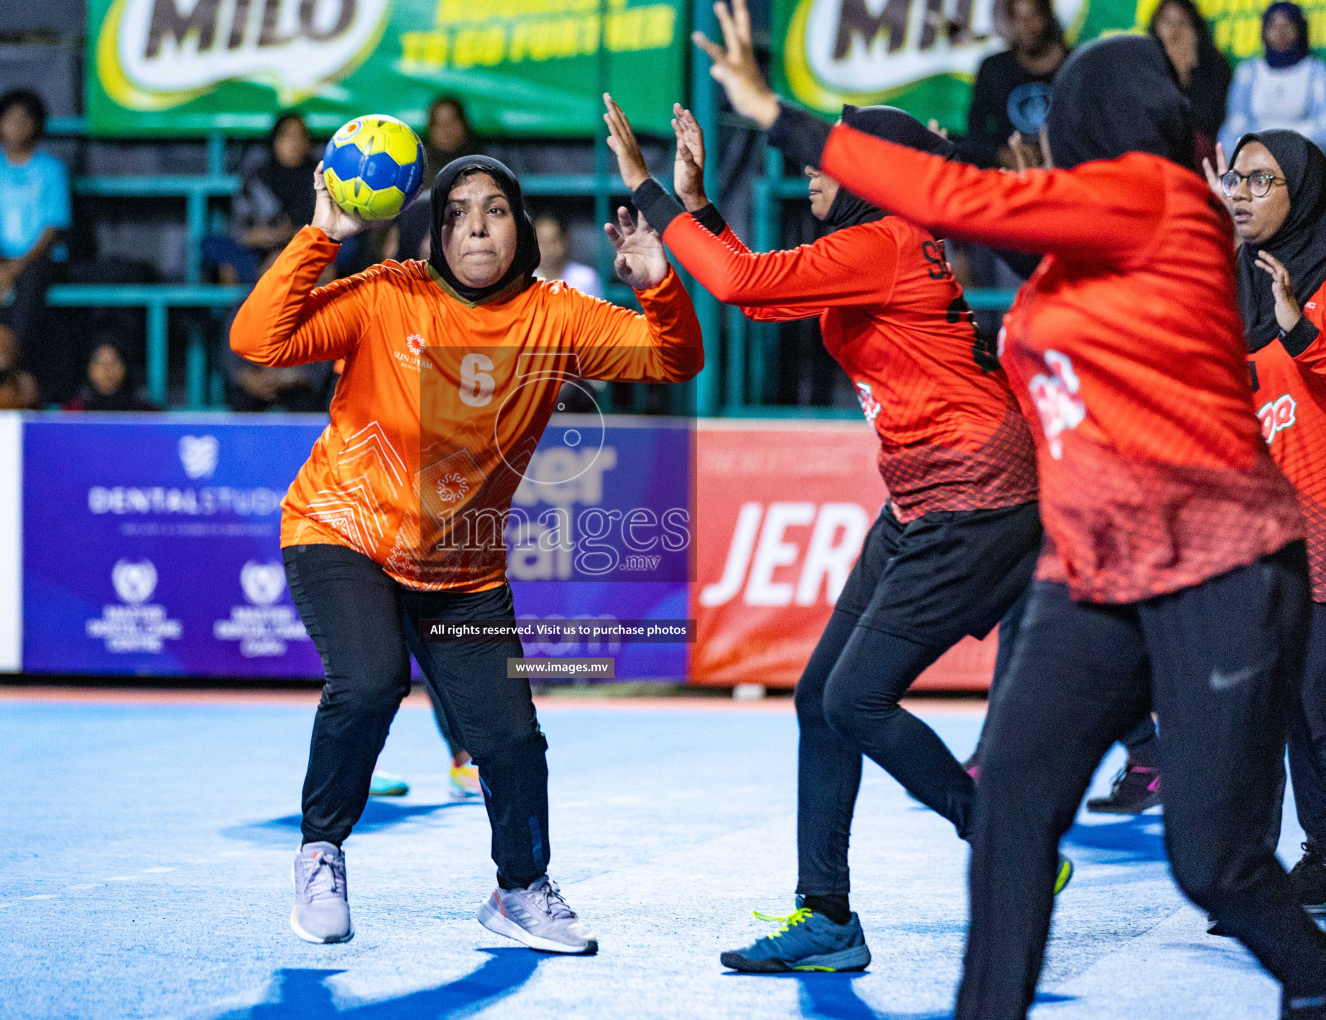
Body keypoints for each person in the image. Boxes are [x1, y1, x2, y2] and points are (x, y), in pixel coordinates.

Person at [696, 13, 1326, 1019]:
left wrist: (783, 118)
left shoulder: (1166, 199)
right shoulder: (1083, 245)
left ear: (1101, 118)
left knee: (1213, 864)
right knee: (1011, 814)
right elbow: (988, 217)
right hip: (1090, 564)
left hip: (1220, 564)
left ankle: (1313, 976)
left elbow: (956, 195)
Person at [606, 93, 1050, 972]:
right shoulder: (871, 241)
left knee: (854, 700)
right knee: (821, 700)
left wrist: (649, 192)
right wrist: (697, 207)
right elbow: (768, 298)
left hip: (975, 496)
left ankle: (1003, 833)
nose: (809, 167)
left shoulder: (879, 242)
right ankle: (830, 919)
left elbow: (738, 285)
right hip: (927, 494)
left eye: (827, 157)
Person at [228, 154, 702, 952]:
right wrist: (321, 235)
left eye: (495, 209)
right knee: (372, 680)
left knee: (511, 739)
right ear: (435, 235)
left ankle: (519, 889)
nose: (476, 224)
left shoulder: (559, 315)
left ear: (522, 227)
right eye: (455, 213)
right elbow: (257, 339)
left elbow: (673, 359)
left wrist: (658, 283)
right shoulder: (385, 295)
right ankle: (321, 852)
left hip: (460, 569)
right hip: (345, 528)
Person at [1216, 129, 1326, 914]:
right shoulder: (1232, 287)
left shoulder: (1316, 283)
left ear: (1303, 192)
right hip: (1268, 539)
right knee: (1289, 717)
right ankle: (1319, 855)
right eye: (1236, 178)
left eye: (1261, 179)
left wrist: (1300, 330)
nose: (1243, 193)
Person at [0, 89, 71, 400]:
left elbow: (51, 230)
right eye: (9, 120)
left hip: (36, 258)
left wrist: (12, 271)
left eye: (24, 120)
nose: (17, 126)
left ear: (36, 125)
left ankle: (14, 369)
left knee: (32, 280)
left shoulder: (52, 170)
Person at [956, 0, 1068, 170]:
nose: (1025, 26)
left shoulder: (1074, 66)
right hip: (1009, 179)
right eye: (1017, 18)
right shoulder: (994, 69)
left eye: (1033, 16)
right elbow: (975, 134)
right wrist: (1002, 155)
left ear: (1047, 16)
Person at [1221, 2, 1326, 154]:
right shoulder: (1248, 72)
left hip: (1302, 154)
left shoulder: (1316, 72)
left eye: (1287, 25)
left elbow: (1322, 128)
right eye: (1273, 26)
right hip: (1256, 154)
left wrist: (1281, 143)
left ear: (1299, 29)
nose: (1280, 32)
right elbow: (1236, 124)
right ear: (1264, 30)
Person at [232, 111, 316, 268]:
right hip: (261, 254)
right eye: (288, 135)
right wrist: (269, 235)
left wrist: (297, 234)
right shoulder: (257, 181)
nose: (295, 142)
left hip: (310, 252)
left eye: (300, 136)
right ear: (275, 141)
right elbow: (240, 231)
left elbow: (330, 230)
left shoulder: (320, 180)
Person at [1149, 0, 1233, 158]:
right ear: (1156, 26)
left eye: (1182, 22)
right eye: (1167, 21)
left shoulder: (1214, 66)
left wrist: (1186, 74)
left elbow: (1210, 121)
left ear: (1195, 30)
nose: (1174, 31)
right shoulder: (1145, 65)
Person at [63, 337, 154, 412]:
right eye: (98, 362)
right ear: (87, 368)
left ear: (126, 366)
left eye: (114, 361)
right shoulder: (73, 412)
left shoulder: (145, 412)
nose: (107, 369)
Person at [534, 215, 603, 298]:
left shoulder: (586, 279)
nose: (547, 249)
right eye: (541, 242)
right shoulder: (525, 283)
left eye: (553, 241)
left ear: (565, 241)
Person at [424, 96, 478, 181]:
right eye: (439, 124)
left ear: (464, 124)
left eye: (451, 121)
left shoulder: (485, 164)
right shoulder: (419, 172)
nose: (446, 130)